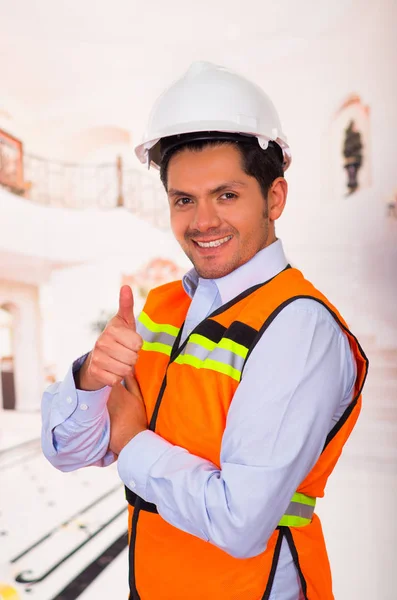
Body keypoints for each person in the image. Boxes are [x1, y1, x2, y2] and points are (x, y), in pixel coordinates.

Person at [41, 61, 368, 600]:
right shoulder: (163, 307)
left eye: (227, 195)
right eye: (184, 200)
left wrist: (132, 441)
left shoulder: (298, 325)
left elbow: (240, 522)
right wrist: (90, 380)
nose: (202, 221)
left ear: (275, 199)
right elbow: (68, 452)